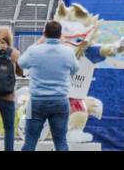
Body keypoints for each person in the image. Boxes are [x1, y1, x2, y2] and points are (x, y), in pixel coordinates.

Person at [18, 20, 79, 151]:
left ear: (44, 33)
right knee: (61, 142)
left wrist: (38, 42)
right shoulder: (68, 52)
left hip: (35, 102)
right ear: (60, 35)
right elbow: (75, 69)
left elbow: (21, 63)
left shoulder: (34, 51)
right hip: (60, 101)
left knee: (30, 141)